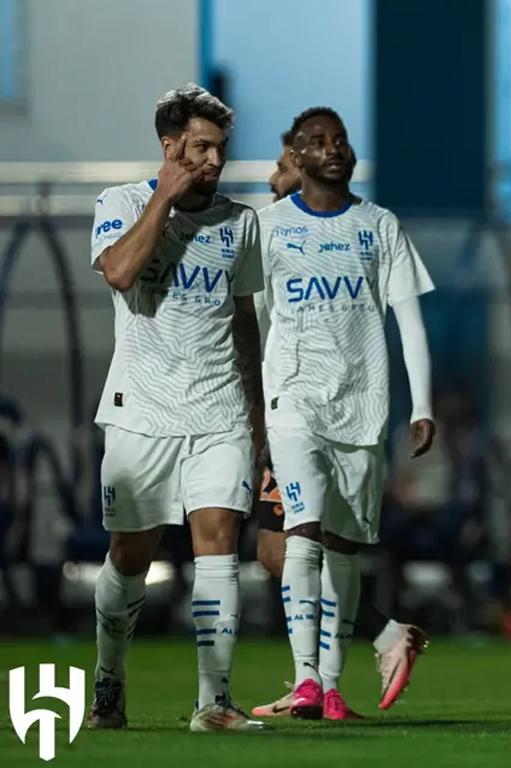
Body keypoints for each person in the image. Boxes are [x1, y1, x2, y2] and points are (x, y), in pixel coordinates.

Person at [86, 83, 267, 732]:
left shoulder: (241, 223)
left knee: (219, 545)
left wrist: (259, 411)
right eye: (200, 148)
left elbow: (244, 320)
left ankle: (213, 702)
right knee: (131, 556)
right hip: (141, 411)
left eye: (220, 148)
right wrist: (164, 195)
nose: (214, 160)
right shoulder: (123, 202)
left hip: (219, 412)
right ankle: (109, 679)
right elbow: (120, 273)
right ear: (169, 147)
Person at [258, 107, 436, 721]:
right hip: (293, 404)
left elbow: (409, 320)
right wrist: (256, 417)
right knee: (298, 534)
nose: (332, 148)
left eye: (339, 139)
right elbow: (253, 325)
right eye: (316, 141)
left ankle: (331, 689)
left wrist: (422, 404)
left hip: (361, 408)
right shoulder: (270, 227)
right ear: (296, 156)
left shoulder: (380, 226)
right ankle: (306, 677)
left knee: (343, 550)